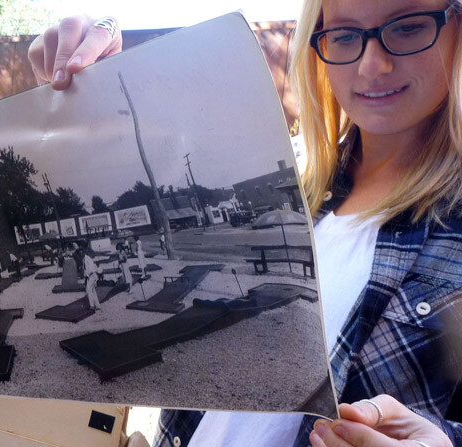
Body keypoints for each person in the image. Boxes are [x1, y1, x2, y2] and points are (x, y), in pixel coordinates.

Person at [29, 3, 462, 447]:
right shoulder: (300, 193)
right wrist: (94, 76)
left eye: (409, 27)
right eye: (346, 35)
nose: (374, 64)